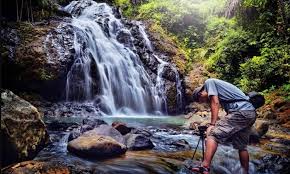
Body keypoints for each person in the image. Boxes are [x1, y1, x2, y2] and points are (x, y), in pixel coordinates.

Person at [191, 78, 256, 174]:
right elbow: (229, 114)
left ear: (200, 93)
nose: (205, 101)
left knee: (213, 135)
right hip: (250, 113)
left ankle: (204, 166)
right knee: (242, 146)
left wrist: (212, 125)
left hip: (240, 112)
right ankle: (245, 172)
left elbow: (215, 103)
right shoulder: (222, 91)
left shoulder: (209, 82)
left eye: (202, 100)